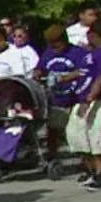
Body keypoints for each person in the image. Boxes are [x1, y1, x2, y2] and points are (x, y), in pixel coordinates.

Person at [66, 21, 101, 191]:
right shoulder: (91, 54)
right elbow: (84, 72)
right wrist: (64, 78)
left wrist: (89, 98)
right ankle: (90, 171)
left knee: (99, 139)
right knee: (77, 138)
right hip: (83, 100)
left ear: (93, 35)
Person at [33, 24, 88, 162]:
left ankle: (85, 159)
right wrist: (38, 73)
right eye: (51, 45)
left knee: (78, 131)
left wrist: (65, 78)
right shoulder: (48, 53)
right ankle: (52, 154)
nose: (54, 48)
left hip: (75, 96)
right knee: (53, 128)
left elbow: (85, 71)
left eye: (56, 45)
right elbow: (40, 67)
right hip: (56, 97)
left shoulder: (78, 53)